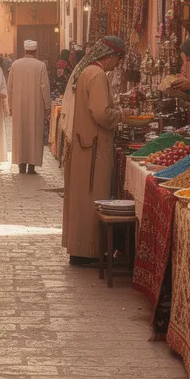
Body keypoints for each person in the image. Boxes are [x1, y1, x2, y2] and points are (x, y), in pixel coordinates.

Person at [61, 36, 125, 265]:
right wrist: (119, 116)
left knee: (82, 197)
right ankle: (89, 249)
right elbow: (100, 113)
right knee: (91, 197)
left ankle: (80, 247)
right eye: (117, 58)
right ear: (109, 56)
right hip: (94, 148)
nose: (117, 64)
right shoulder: (97, 75)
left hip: (85, 144)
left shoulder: (86, 71)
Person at [8, 40, 51, 174]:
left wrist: (10, 105)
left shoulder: (15, 65)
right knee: (34, 133)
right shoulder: (40, 66)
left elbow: (10, 87)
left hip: (19, 105)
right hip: (36, 106)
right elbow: (45, 87)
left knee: (20, 133)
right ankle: (32, 166)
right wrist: (47, 105)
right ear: (35, 51)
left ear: (24, 51)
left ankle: (21, 164)